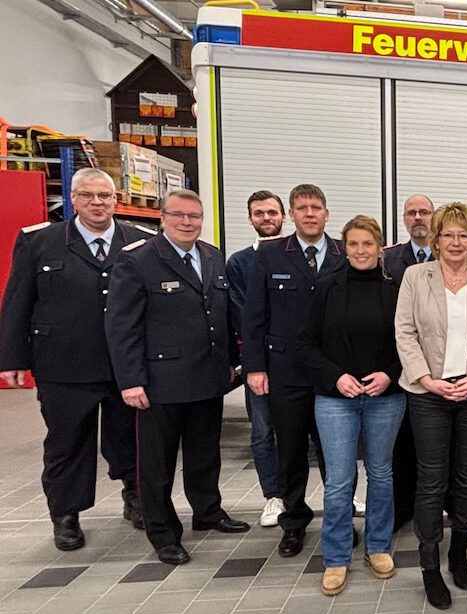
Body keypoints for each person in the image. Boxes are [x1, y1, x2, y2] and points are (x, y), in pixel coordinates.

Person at [0, 167, 151, 550]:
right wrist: (11, 359)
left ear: (116, 200)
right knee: (67, 442)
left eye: (104, 196)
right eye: (88, 195)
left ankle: (136, 498)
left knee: (131, 438)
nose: (97, 203)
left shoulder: (141, 242)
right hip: (63, 365)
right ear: (73, 199)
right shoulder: (40, 242)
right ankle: (65, 514)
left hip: (125, 367)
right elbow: (18, 301)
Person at [105, 189, 250, 565]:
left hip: (208, 377)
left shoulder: (212, 255)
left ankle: (207, 511)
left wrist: (233, 361)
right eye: (179, 215)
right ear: (163, 218)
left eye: (195, 216)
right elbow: (122, 326)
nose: (188, 222)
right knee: (157, 464)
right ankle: (163, 531)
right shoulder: (138, 260)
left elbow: (222, 313)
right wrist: (130, 380)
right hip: (160, 383)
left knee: (205, 453)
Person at [395, 202, 467, 610]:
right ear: (436, 239)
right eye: (448, 234)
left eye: (463, 235)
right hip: (428, 393)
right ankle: (429, 566)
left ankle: (458, 553)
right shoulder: (414, 276)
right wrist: (428, 380)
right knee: (431, 479)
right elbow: (404, 332)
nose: (455, 242)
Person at [295, 215, 405, 596]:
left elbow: (410, 343)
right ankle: (336, 557)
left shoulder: (396, 290)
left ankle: (377, 547)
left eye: (368, 244)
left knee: (382, 474)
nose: (361, 251)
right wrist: (336, 377)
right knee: (339, 483)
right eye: (354, 244)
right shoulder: (325, 288)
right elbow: (305, 344)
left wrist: (389, 375)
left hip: (384, 398)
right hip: (335, 399)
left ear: (380, 248)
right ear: (344, 247)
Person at [243, 184, 347, 558]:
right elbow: (253, 315)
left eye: (316, 207)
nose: (309, 213)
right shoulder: (271, 254)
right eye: (301, 208)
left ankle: (340, 517)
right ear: (291, 214)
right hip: (285, 371)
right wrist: (255, 367)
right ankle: (294, 523)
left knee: (336, 453)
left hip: (332, 373)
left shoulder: (343, 252)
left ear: (326, 214)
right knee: (289, 452)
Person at [226, 190, 287, 527]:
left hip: (298, 364)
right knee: (263, 432)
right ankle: (273, 497)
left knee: (321, 431)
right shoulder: (238, 263)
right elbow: (240, 316)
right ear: (250, 218)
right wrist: (252, 364)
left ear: (284, 216)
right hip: (261, 364)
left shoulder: (298, 256)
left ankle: (341, 492)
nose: (266, 218)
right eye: (259, 213)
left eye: (271, 212)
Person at [383, 194, 437, 533]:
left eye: (424, 212)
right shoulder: (387, 260)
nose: (418, 217)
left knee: (437, 445)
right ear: (404, 219)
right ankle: (403, 507)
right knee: (401, 443)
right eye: (411, 213)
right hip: (396, 364)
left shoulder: (453, 255)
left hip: (439, 366)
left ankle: (446, 508)